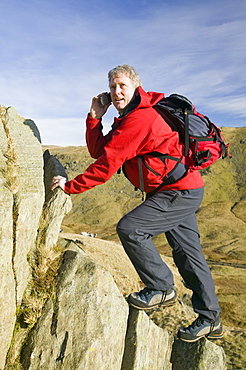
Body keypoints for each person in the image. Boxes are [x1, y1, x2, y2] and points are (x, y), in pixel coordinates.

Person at [51, 64, 223, 342]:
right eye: (112, 88)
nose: (116, 92)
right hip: (179, 190)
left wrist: (70, 187)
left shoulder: (139, 119)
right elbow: (99, 150)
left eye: (122, 86)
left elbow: (106, 165)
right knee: (188, 255)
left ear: (135, 87)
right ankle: (210, 320)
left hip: (177, 192)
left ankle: (160, 286)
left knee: (131, 229)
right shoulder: (128, 117)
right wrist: (96, 117)